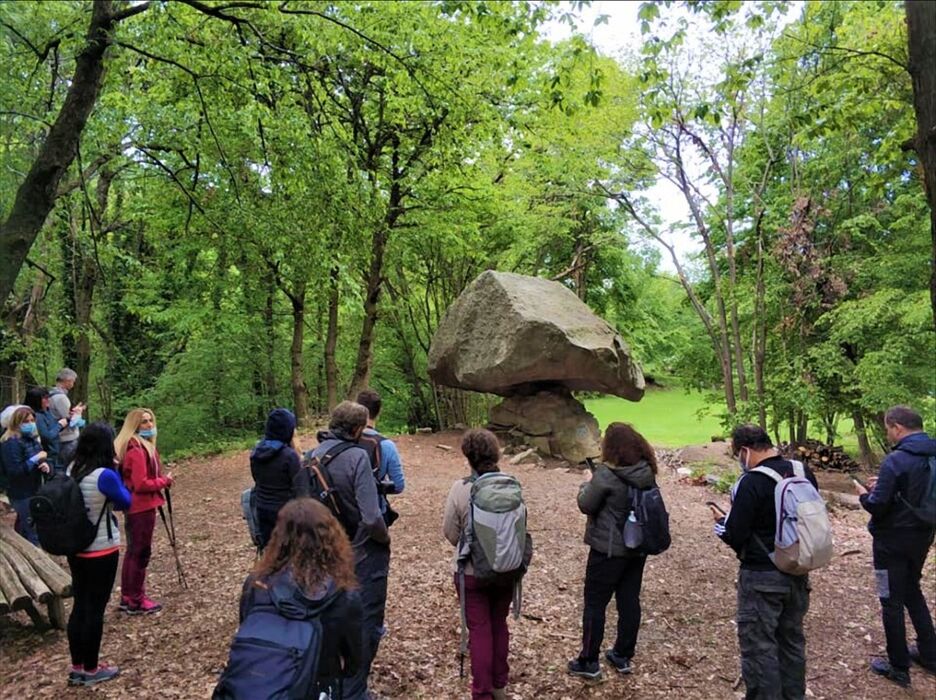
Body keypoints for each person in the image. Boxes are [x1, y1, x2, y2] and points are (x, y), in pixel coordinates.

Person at [214, 499, 363, 699]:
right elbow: (353, 661)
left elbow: (246, 623)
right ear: (332, 537)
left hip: (257, 683)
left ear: (279, 536)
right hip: (318, 686)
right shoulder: (343, 595)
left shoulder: (256, 584)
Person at [712, 424, 817, 700]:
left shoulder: (751, 482)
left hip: (761, 575)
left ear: (744, 450)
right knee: (791, 641)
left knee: (759, 647)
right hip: (798, 568)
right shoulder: (802, 471)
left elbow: (736, 534)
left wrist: (721, 523)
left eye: (737, 453)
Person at [300, 401, 389, 700]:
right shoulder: (357, 458)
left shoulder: (309, 457)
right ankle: (354, 691)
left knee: (326, 616)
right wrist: (384, 537)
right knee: (364, 620)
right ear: (357, 429)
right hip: (360, 552)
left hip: (321, 553)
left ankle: (328, 686)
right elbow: (371, 515)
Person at [567, 422, 659, 681]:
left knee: (595, 603)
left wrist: (585, 484)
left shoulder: (606, 474)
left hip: (608, 550)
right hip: (637, 548)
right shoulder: (646, 470)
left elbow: (586, 504)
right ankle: (622, 654)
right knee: (629, 600)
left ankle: (588, 660)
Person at [853, 406, 936, 687]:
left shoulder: (896, 460)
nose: (888, 434)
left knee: (890, 600)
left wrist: (865, 495)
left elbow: (878, 506)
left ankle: (899, 666)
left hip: (891, 542)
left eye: (888, 428)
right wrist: (886, 485)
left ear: (898, 427)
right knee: (912, 589)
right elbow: (916, 489)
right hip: (923, 536)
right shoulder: (932, 454)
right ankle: (930, 654)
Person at [443, 428, 513, 700]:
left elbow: (450, 532)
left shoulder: (460, 489)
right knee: (499, 623)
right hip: (507, 568)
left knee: (480, 629)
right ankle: (499, 684)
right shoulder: (511, 485)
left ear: (468, 457)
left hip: (471, 571)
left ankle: (482, 692)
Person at [66, 421, 132, 686]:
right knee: (95, 609)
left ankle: (77, 666)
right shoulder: (104, 475)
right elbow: (125, 502)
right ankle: (92, 669)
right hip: (101, 548)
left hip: (75, 546)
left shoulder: (73, 469)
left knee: (80, 604)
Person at [115, 407, 173, 615]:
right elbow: (141, 483)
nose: (149, 426)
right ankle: (136, 599)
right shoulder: (137, 450)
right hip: (141, 507)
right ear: (135, 426)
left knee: (134, 552)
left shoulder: (137, 447)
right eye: (144, 422)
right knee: (140, 553)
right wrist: (164, 481)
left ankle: (129, 597)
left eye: (150, 421)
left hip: (139, 506)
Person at [250, 407, 301, 548]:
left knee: (271, 554)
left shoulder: (256, 453)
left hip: (262, 510)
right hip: (287, 513)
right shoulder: (289, 456)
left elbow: (256, 479)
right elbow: (300, 488)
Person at [0, 406, 51, 544]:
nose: (30, 424)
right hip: (20, 492)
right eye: (26, 421)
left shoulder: (31, 439)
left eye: (31, 420)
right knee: (32, 529)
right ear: (16, 423)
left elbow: (41, 458)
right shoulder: (10, 443)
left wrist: (44, 464)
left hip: (34, 488)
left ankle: (19, 547)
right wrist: (33, 460)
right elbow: (14, 471)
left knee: (25, 525)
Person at [356, 389, 405, 524]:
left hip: (345, 510)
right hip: (376, 512)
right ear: (379, 412)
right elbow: (398, 485)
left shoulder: (345, 440)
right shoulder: (386, 445)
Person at [23, 386, 67, 472]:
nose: (48, 400)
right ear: (36, 400)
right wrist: (60, 425)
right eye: (45, 398)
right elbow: (47, 437)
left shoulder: (47, 412)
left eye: (48, 397)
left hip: (56, 454)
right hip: (48, 457)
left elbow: (53, 429)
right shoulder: (37, 417)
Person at [49, 368, 85, 468]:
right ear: (67, 381)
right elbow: (70, 419)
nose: (73, 384)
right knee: (67, 467)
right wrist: (78, 412)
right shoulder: (61, 398)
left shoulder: (51, 393)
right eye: (73, 381)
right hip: (67, 438)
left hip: (60, 437)